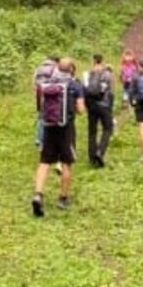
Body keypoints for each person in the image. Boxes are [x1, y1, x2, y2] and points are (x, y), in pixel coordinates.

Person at [31, 57, 85, 217]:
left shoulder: (47, 83)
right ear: (72, 69)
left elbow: (41, 106)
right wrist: (74, 108)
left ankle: (38, 194)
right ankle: (63, 198)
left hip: (48, 126)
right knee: (66, 163)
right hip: (66, 129)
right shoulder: (75, 84)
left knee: (44, 162)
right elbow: (81, 109)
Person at [83, 54, 114, 167]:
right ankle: (100, 152)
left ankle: (91, 157)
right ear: (102, 61)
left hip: (91, 106)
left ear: (93, 61)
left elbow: (85, 90)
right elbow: (109, 91)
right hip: (104, 105)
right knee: (107, 128)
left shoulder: (88, 74)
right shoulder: (107, 73)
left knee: (92, 131)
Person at [33, 55, 60, 148]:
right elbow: (57, 83)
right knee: (49, 117)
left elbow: (34, 83)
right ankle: (44, 140)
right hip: (50, 96)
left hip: (39, 95)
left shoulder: (39, 68)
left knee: (40, 116)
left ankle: (38, 138)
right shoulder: (55, 69)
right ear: (56, 61)